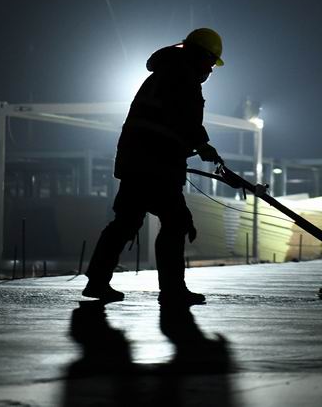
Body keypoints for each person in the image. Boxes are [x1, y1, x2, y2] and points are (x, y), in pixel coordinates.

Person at [83, 28, 225, 306]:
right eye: (211, 62)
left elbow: (168, 120)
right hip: (157, 164)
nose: (210, 69)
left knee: (125, 222)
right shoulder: (182, 77)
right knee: (176, 221)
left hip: (136, 161)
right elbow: (183, 118)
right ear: (201, 55)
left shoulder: (164, 73)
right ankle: (172, 290)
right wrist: (204, 146)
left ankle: (97, 281)